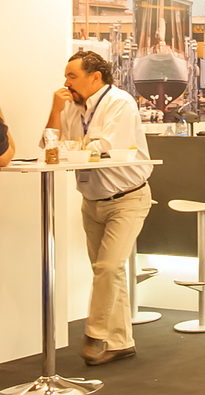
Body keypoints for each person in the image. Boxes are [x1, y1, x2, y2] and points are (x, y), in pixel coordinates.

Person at [46, 50, 153, 366]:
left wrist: (71, 148)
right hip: (92, 201)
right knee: (106, 270)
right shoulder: (71, 106)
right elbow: (50, 145)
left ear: (95, 77)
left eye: (72, 76)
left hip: (127, 199)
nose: (66, 82)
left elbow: (103, 148)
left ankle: (95, 333)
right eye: (66, 76)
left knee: (108, 267)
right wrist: (55, 110)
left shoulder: (119, 102)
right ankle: (120, 342)